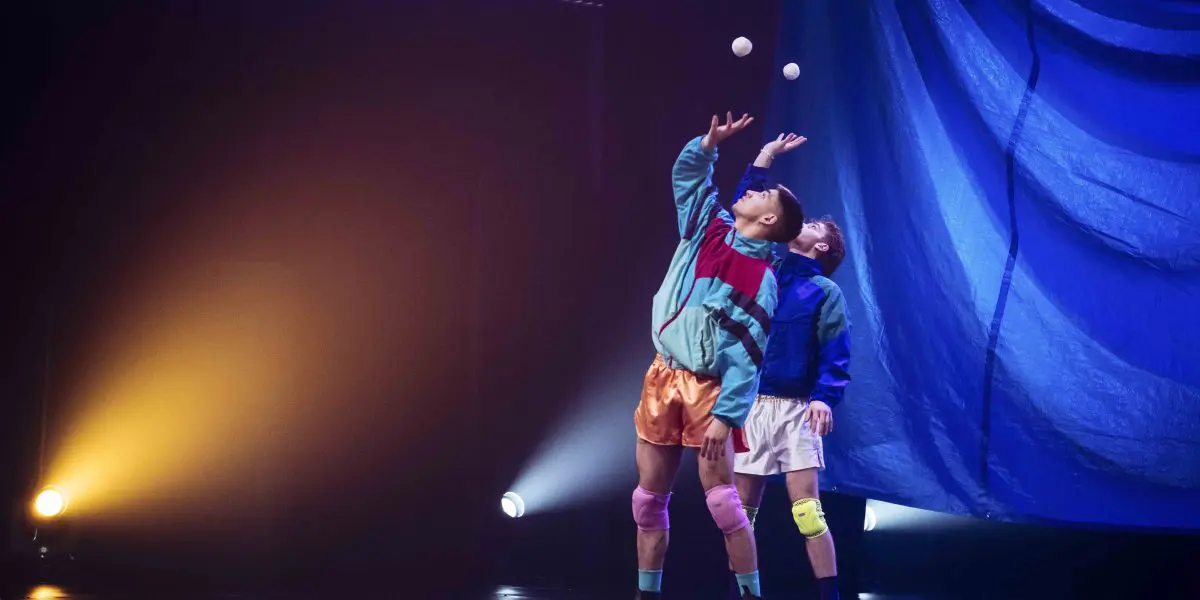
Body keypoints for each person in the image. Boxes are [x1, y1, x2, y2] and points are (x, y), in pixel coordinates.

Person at [630, 112, 806, 600]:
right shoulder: (706, 224)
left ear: (769, 220)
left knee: (726, 505)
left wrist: (726, 417)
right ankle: (648, 593)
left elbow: (748, 354)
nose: (747, 190)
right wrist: (707, 145)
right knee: (647, 502)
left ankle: (750, 594)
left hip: (710, 390)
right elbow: (687, 178)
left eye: (759, 194)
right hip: (663, 375)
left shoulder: (759, 277)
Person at [727, 133, 850, 600]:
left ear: (822, 248)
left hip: (795, 410)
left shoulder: (825, 294)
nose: (809, 223)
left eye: (817, 226)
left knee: (807, 512)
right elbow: (748, 208)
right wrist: (764, 159)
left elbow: (836, 353)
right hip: (752, 406)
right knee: (738, 512)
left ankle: (829, 595)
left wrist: (824, 396)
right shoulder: (767, 271)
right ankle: (742, 592)